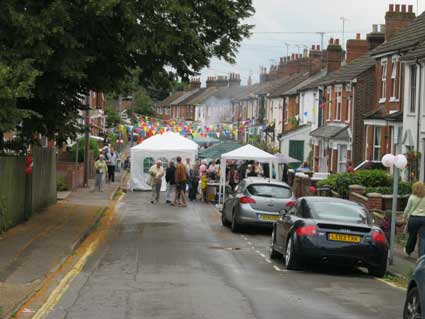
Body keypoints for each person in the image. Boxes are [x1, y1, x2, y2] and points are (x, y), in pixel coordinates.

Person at [403, 182, 425, 257]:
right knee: (423, 238)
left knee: (412, 236)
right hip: (424, 219)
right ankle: (422, 256)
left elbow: (407, 208)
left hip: (414, 219)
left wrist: (404, 217)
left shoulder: (412, 197)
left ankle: (408, 251)